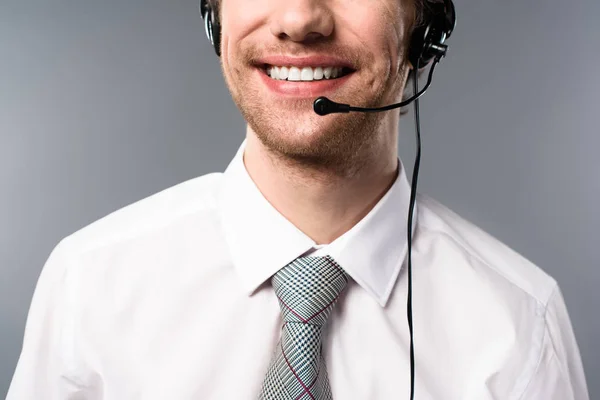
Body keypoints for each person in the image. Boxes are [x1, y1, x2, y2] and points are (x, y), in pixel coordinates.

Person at [7, 0, 590, 398]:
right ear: (214, 16)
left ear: (425, 24)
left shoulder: (520, 324)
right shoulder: (88, 283)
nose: (299, 19)